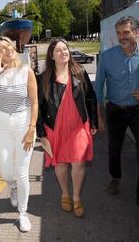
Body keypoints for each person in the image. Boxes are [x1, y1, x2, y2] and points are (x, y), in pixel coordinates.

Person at [94, 16, 139, 228]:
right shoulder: (107, 56)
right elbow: (98, 87)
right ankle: (115, 177)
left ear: (136, 33)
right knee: (114, 148)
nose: (122, 37)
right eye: (119, 33)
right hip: (114, 110)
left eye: (126, 32)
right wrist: (99, 115)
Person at [0, 36, 38, 232]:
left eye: (9, 46)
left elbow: (35, 103)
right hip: (2, 125)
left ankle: (23, 212)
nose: (9, 50)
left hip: (23, 124)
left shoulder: (26, 71)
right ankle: (13, 187)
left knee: (22, 173)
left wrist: (31, 129)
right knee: (6, 172)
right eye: (3, 48)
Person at [36, 38, 98, 218]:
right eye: (58, 50)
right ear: (51, 55)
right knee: (61, 163)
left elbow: (90, 97)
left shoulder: (79, 72)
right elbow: (39, 107)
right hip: (55, 127)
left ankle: (77, 197)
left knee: (78, 162)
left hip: (79, 126)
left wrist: (93, 122)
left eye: (65, 49)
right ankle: (65, 193)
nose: (63, 52)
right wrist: (41, 133)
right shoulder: (44, 78)